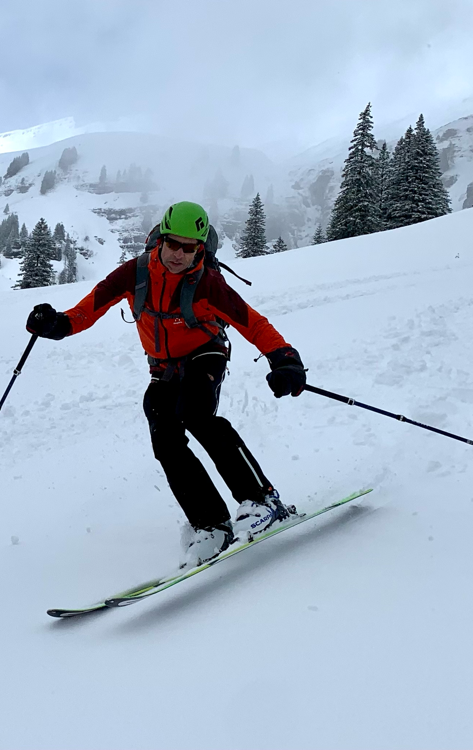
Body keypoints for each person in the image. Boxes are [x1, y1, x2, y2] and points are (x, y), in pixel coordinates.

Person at [26, 201, 306, 567]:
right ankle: (211, 524)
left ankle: (263, 501)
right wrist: (56, 325)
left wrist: (285, 359)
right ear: (160, 239)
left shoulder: (208, 284)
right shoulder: (134, 274)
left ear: (200, 249)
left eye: (189, 248)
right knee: (163, 432)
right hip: (162, 366)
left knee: (196, 412)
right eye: (173, 244)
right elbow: (87, 310)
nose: (179, 254)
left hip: (206, 353)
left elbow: (252, 323)